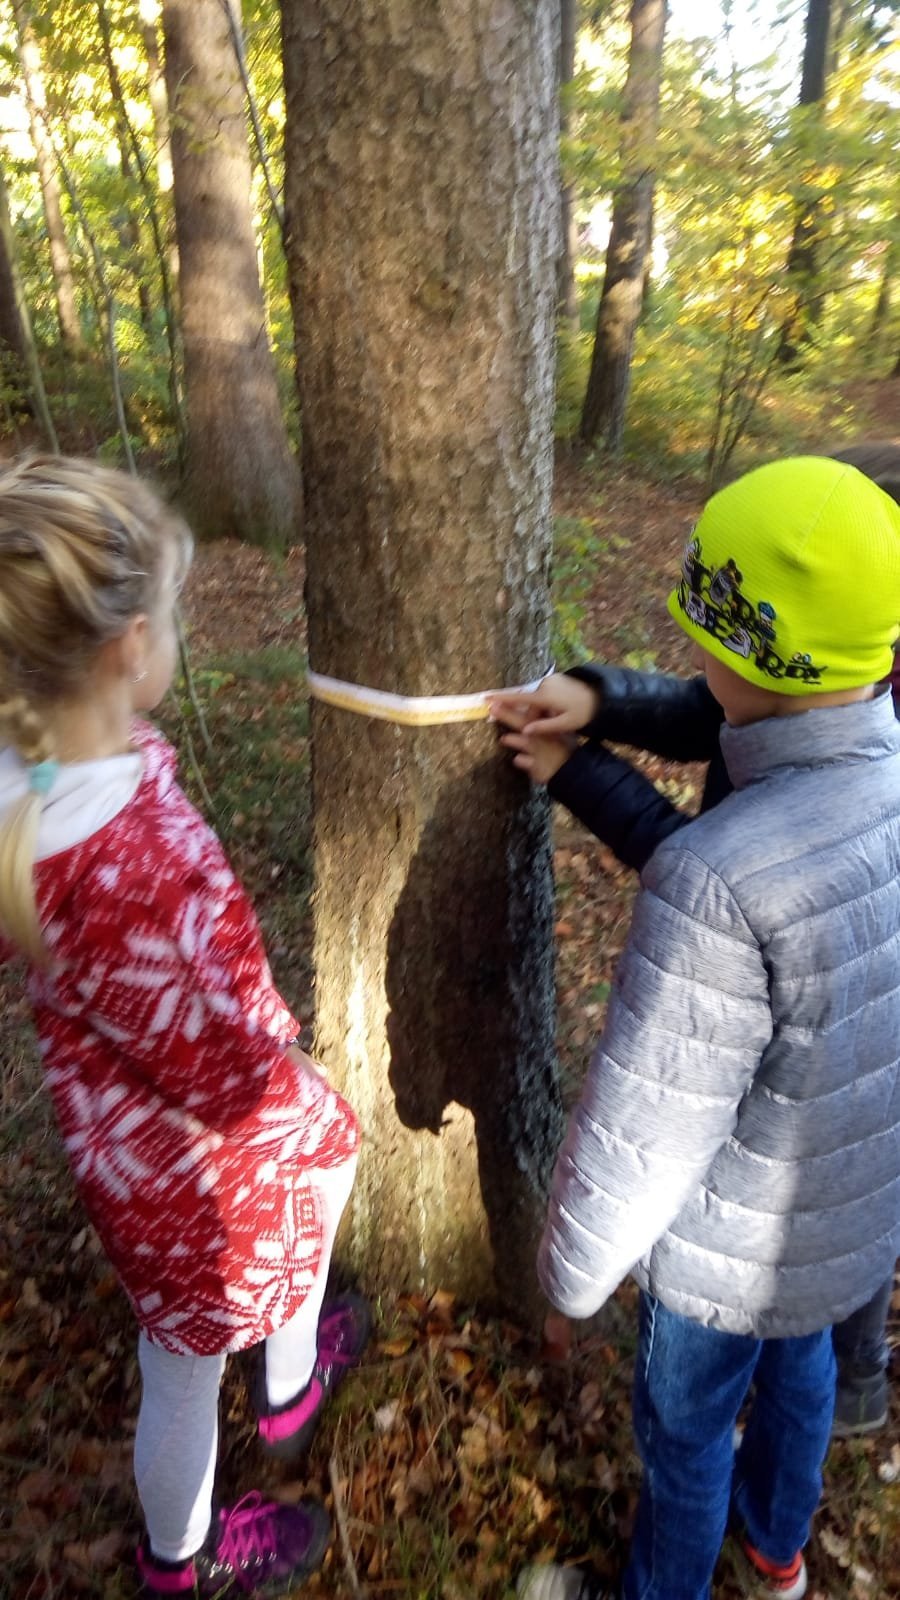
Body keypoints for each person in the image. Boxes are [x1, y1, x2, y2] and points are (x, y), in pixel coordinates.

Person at [492, 456, 900, 1600]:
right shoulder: (878, 755)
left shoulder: (719, 885)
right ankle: (778, 1555)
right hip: (847, 1212)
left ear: (736, 654)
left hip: (722, 1253)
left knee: (684, 1432)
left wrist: (572, 1276)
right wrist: (599, 703)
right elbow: (733, 724)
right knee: (803, 1369)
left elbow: (646, 1121)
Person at [0, 456, 367, 1599]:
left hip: (117, 1141)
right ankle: (187, 1550)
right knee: (315, 1177)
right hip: (195, 1165)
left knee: (179, 1347)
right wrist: (292, 1066)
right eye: (172, 615)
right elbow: (223, 1071)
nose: (178, 634)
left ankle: (286, 1381)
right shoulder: (131, 862)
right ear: (127, 648)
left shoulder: (30, 770)